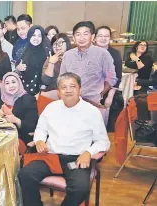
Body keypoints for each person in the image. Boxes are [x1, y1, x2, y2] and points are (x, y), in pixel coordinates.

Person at [18, 72, 110, 206]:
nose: (68, 90)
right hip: (51, 156)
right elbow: (41, 129)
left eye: (72, 86)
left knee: (80, 187)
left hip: (77, 159)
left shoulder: (92, 111)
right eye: (64, 87)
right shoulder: (51, 108)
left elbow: (104, 142)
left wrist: (88, 152)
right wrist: (39, 140)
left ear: (80, 90)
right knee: (25, 175)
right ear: (58, 92)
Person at [60, 21, 117, 113]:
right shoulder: (68, 55)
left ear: (93, 37)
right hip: (70, 102)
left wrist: (101, 92)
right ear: (74, 37)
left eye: (85, 34)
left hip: (93, 103)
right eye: (78, 34)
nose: (81, 38)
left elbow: (110, 77)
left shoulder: (103, 54)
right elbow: (62, 78)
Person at [0, 72, 38, 145]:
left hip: (21, 138)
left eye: (13, 82)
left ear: (19, 83)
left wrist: (16, 120)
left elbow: (32, 127)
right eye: (7, 83)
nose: (11, 86)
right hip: (4, 134)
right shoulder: (3, 98)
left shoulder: (28, 100)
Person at [16, 25, 50, 95]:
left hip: (42, 91)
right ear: (29, 35)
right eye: (33, 35)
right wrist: (18, 68)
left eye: (39, 36)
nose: (36, 38)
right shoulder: (21, 51)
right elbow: (16, 71)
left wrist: (42, 91)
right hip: (23, 90)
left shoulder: (47, 53)